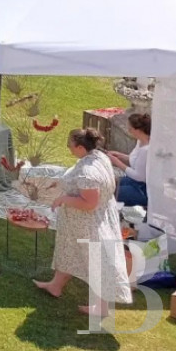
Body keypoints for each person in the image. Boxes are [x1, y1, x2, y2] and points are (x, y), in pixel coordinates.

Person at [34, 128, 130, 318]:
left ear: (80, 147)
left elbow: (89, 203)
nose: (68, 148)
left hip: (88, 223)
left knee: (96, 262)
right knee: (69, 252)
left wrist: (63, 199)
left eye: (70, 145)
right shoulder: (99, 156)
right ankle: (55, 286)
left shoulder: (88, 173)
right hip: (83, 221)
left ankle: (101, 307)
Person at [110, 111, 150, 208]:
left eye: (130, 128)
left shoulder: (146, 150)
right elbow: (136, 162)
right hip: (134, 181)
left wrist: (117, 162)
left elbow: (139, 176)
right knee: (109, 184)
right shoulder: (140, 141)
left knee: (109, 194)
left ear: (138, 130)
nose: (128, 130)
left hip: (143, 189)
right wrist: (119, 155)